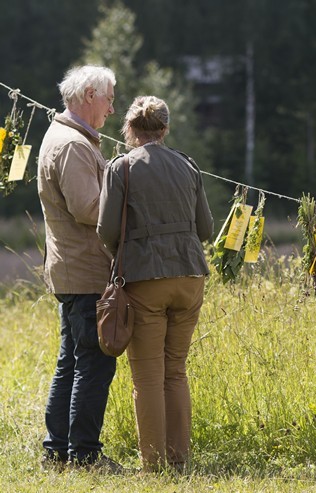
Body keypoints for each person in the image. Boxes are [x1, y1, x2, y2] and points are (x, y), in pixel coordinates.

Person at [97, 95, 213, 473]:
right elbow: (206, 229)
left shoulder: (122, 168)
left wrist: (128, 252)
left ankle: (155, 465)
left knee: (147, 374)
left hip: (146, 279)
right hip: (191, 276)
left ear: (130, 129)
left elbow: (106, 231)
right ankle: (179, 461)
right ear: (164, 129)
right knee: (175, 369)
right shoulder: (188, 165)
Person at [37, 65, 122, 472]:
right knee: (94, 361)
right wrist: (130, 203)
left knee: (72, 359)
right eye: (109, 97)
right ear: (89, 94)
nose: (111, 106)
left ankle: (57, 450)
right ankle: (85, 455)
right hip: (85, 271)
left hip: (72, 268)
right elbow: (88, 208)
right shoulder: (73, 144)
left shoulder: (70, 137)